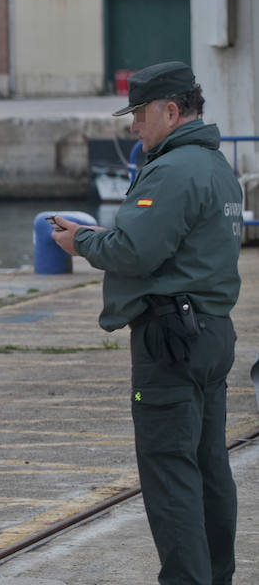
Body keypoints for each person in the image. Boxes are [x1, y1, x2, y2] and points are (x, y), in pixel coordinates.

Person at [51, 61, 242, 584]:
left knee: (169, 469)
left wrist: (80, 240)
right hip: (212, 330)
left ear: (171, 110)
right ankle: (216, 575)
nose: (133, 125)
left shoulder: (175, 169)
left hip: (172, 339)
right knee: (208, 467)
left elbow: (135, 248)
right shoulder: (217, 166)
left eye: (139, 113)